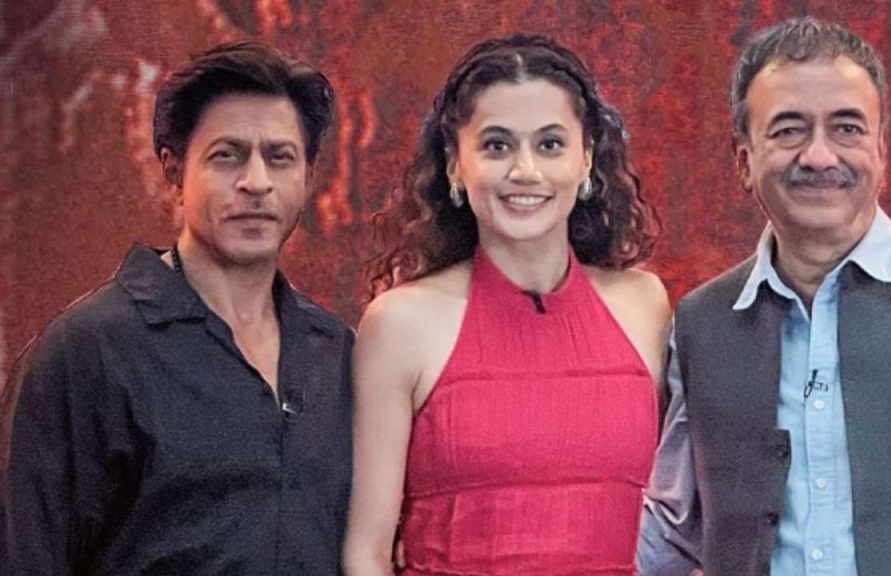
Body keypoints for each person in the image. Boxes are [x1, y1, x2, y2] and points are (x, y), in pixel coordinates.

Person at [637, 16, 891, 576]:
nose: (819, 156)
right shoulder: (701, 325)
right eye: (788, 130)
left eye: (846, 128)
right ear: (744, 161)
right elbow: (671, 538)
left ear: (881, 152)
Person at [0, 41, 354, 575]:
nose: (256, 182)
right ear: (172, 170)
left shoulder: (336, 353)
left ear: (307, 177)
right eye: (227, 155)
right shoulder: (88, 351)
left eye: (280, 157)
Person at [344, 34, 670, 575]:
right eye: (497, 146)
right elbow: (366, 555)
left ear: (586, 158)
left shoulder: (645, 306)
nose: (525, 171)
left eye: (550, 144)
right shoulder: (399, 325)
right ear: (455, 164)